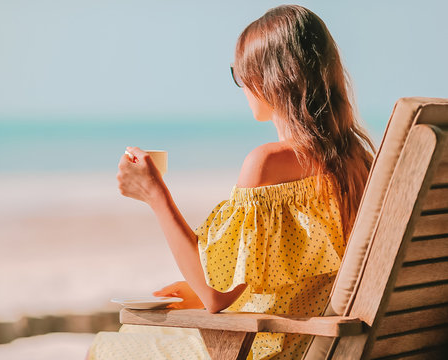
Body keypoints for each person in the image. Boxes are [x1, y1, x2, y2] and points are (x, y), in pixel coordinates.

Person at [86, 4, 375, 360]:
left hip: (267, 346)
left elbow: (215, 295)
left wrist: (154, 194)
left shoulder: (266, 164)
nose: (241, 86)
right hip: (320, 341)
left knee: (109, 346)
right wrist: (194, 290)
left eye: (240, 73)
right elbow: (298, 277)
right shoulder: (359, 162)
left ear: (269, 79)